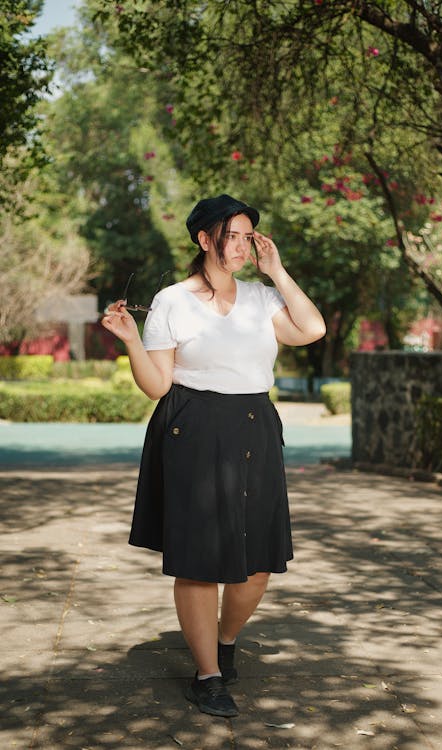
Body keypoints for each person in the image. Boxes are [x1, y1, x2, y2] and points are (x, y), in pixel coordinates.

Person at [101, 194, 326, 718]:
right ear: (205, 239)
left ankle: (224, 642)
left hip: (256, 426)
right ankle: (206, 675)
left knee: (258, 565)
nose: (243, 246)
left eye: (250, 236)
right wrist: (132, 340)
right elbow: (158, 385)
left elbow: (312, 328)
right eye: (234, 235)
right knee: (200, 563)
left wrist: (278, 271)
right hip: (192, 429)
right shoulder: (172, 300)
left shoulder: (261, 298)